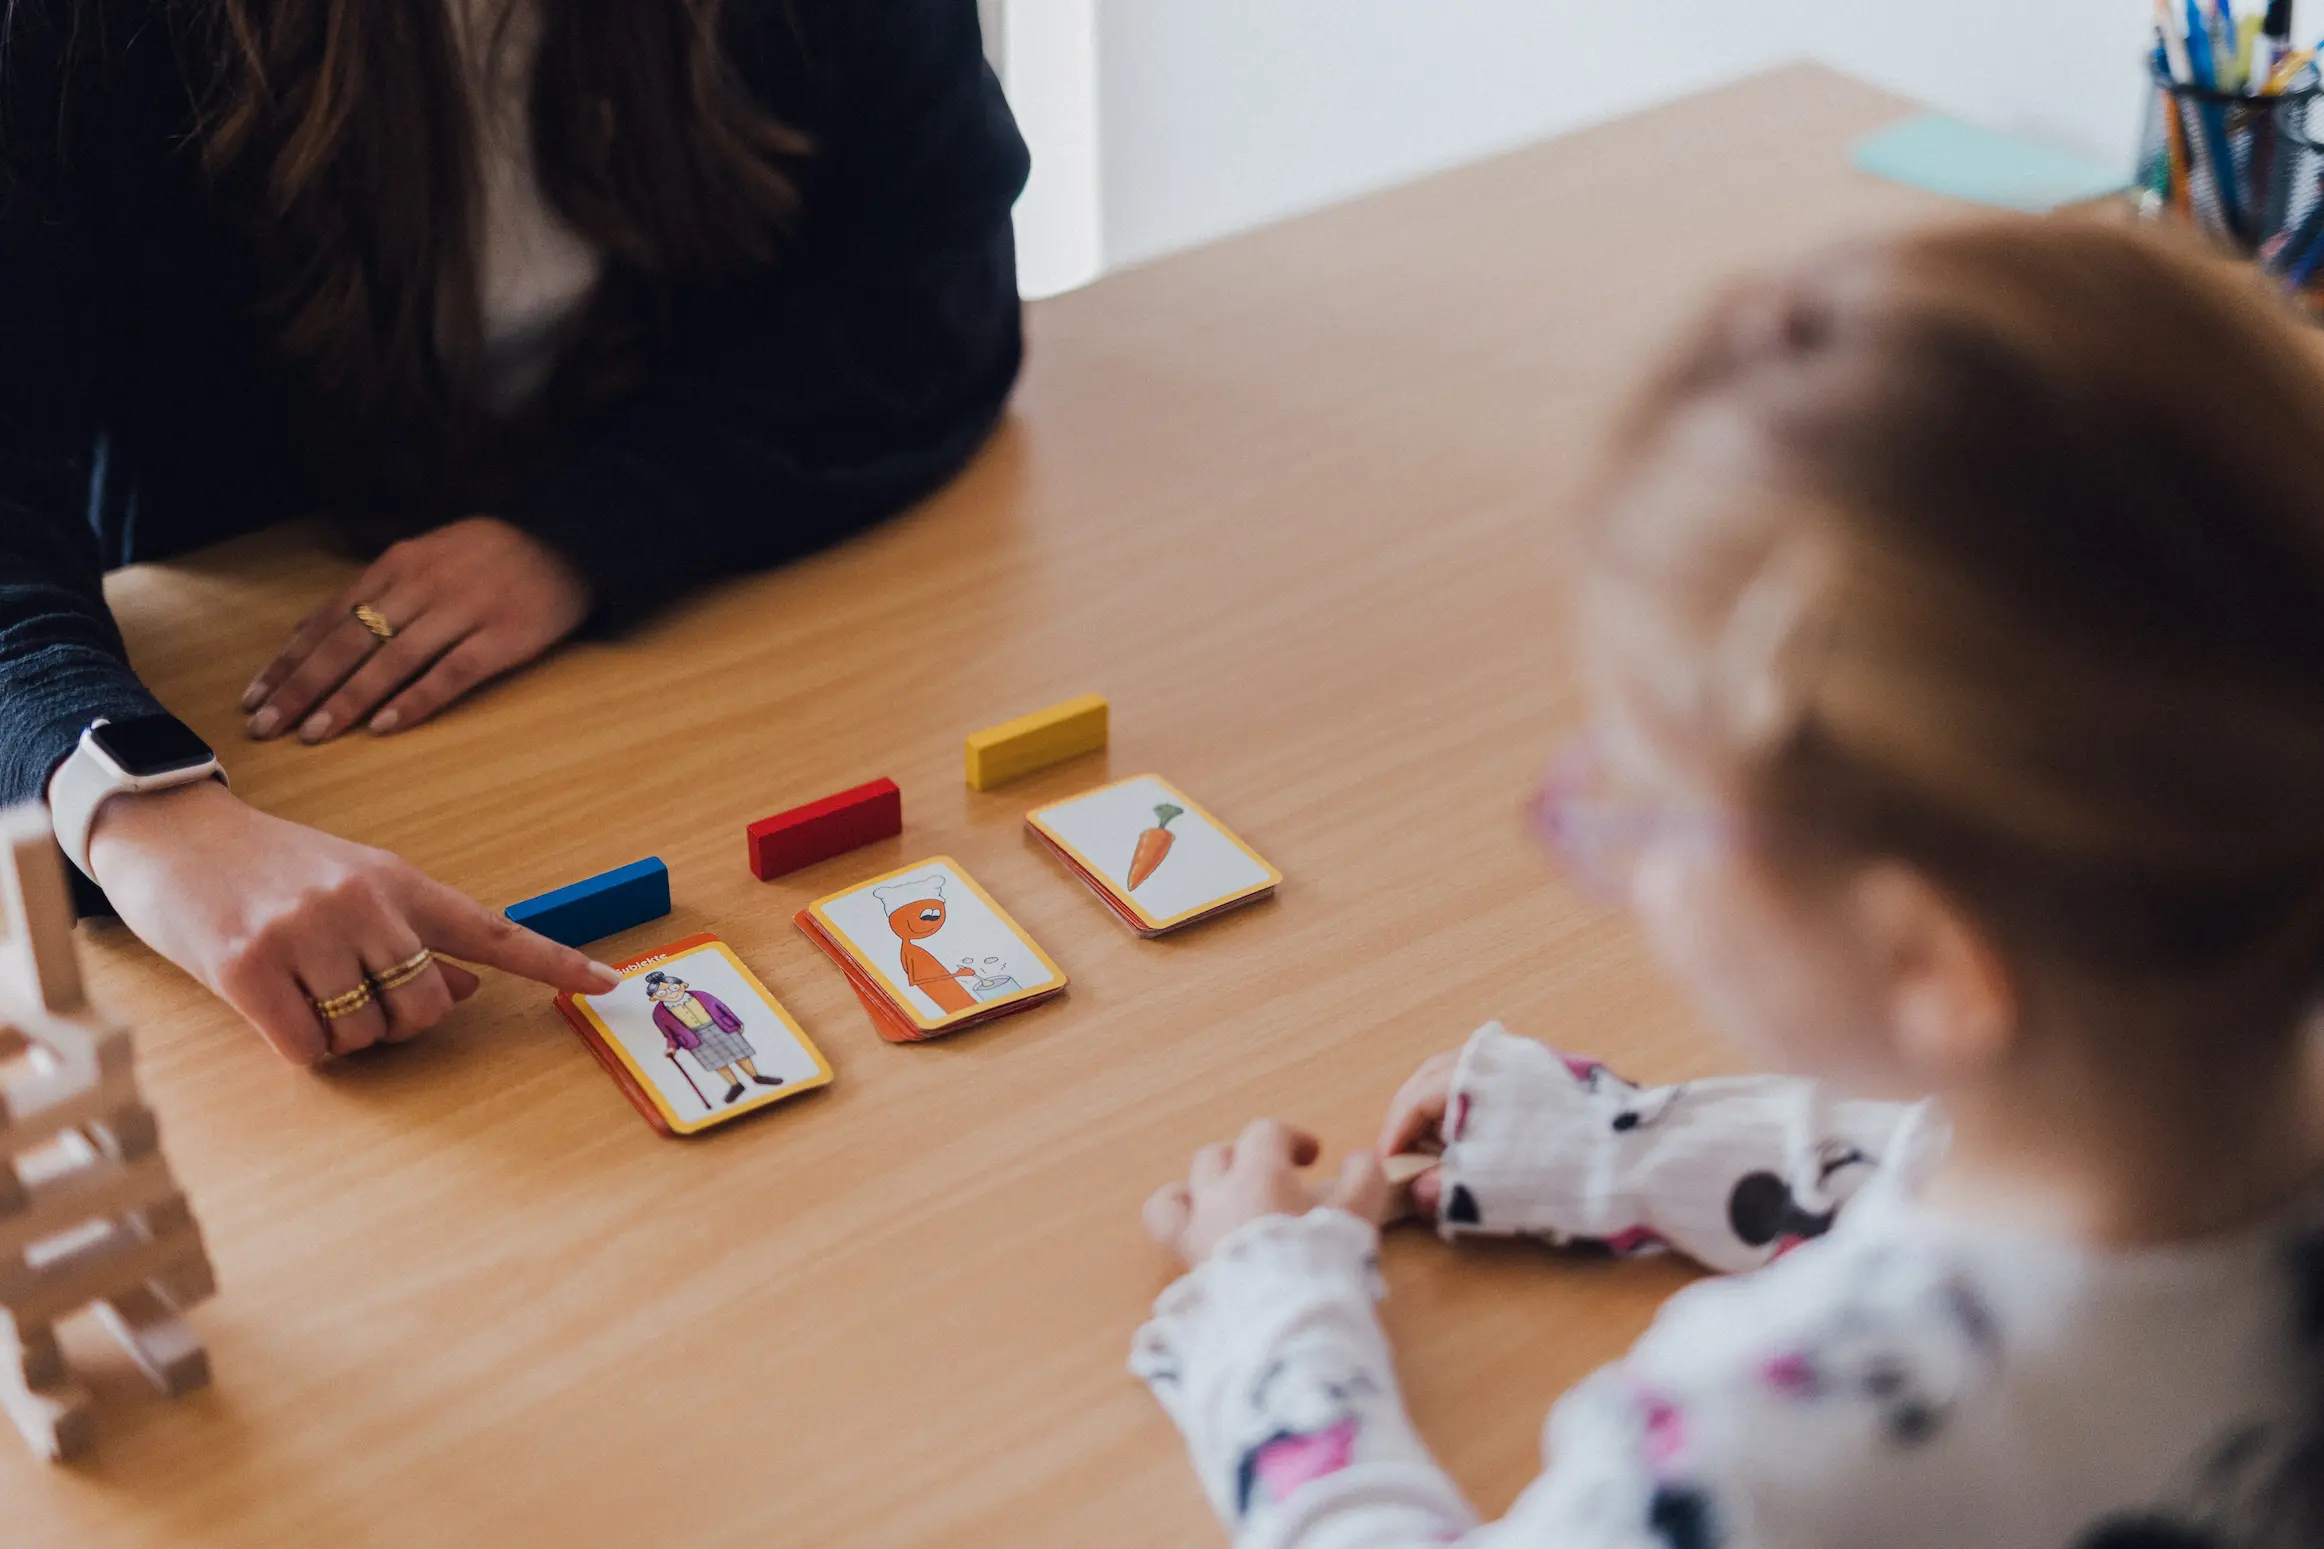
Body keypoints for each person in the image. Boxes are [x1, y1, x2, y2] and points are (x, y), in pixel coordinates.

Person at [1135, 220, 2324, 1548]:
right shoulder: (2225, 1102)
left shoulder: (1767, 1448)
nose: (1614, 852)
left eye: (1645, 802)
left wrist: (1271, 1305)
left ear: (1927, 960)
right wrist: (1611, 1150)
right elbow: (1985, 1149)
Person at [0, 0, 1028, 1064]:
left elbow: (930, 278)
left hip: (698, 674)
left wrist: (593, 527)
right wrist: (138, 807)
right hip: (259, 681)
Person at [645, 970, 777, 1105]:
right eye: (662, 993)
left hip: (720, 1026)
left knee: (740, 1053)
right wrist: (672, 1047)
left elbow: (722, 1008)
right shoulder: (659, 1013)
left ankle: (756, 1076)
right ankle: (736, 1085)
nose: (670, 993)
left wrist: (736, 1022)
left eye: (673, 988)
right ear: (654, 998)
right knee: (717, 1062)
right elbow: (669, 1033)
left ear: (683, 985)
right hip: (694, 1038)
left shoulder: (701, 996)